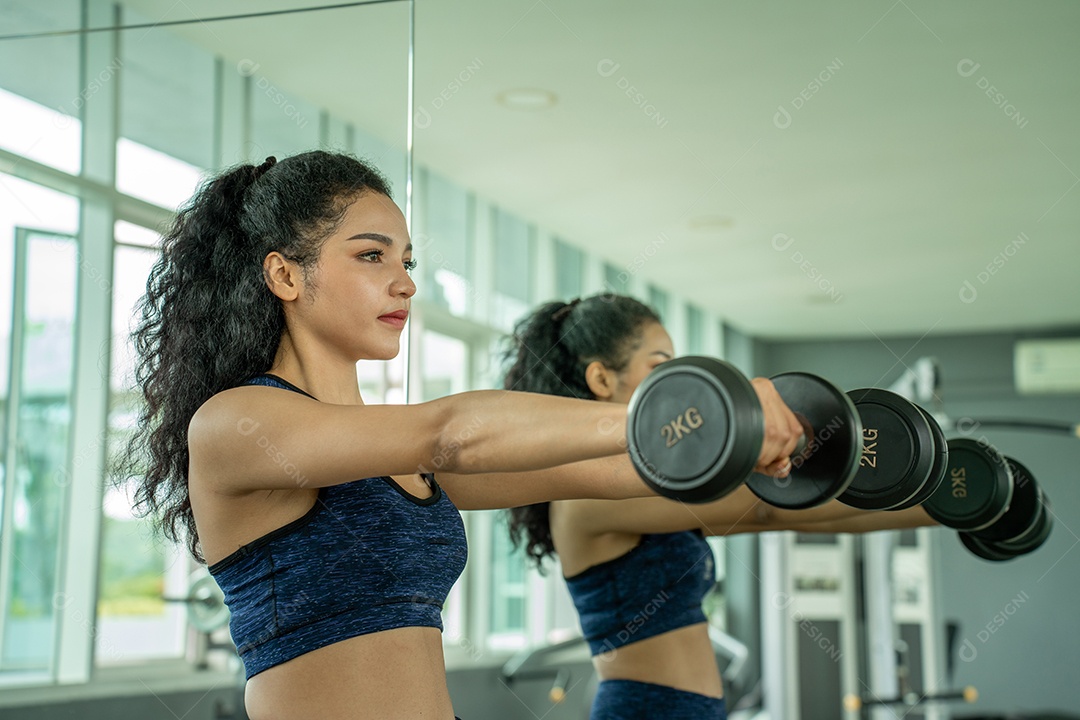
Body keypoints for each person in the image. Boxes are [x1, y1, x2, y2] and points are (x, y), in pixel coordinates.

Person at [118, 151, 804, 720]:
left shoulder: (398, 456)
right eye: (371, 257)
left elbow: (616, 469)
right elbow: (450, 433)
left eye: (408, 262)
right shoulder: (238, 423)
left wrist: (746, 445)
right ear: (284, 274)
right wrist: (694, 409)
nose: (405, 284)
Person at [501, 294, 939, 720]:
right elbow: (770, 506)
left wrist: (942, 502)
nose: (673, 381)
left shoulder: (649, 483)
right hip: (649, 709)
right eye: (659, 365)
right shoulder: (587, 495)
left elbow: (794, 514)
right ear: (601, 379)